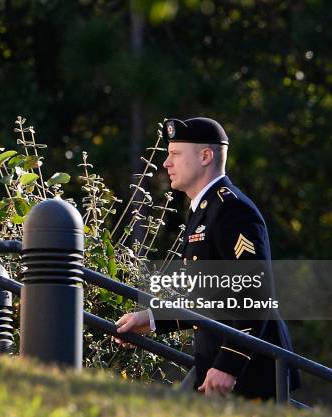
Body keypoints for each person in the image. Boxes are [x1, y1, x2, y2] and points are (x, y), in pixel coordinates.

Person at [115, 117, 300, 400]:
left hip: (249, 375)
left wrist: (230, 364)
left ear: (205, 156)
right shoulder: (205, 208)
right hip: (218, 371)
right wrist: (151, 319)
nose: (166, 163)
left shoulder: (232, 210)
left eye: (175, 154)